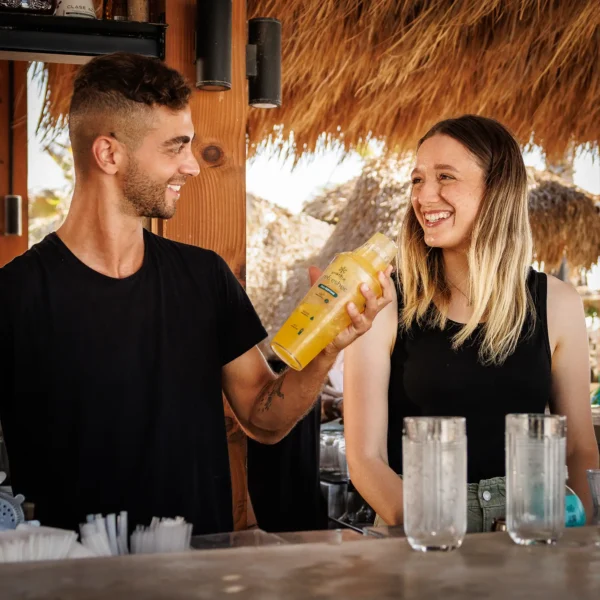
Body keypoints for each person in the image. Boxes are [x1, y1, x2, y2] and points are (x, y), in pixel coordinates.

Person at [0, 52, 393, 535]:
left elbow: (262, 419)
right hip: (70, 580)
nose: (192, 165)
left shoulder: (204, 278)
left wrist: (324, 349)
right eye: (174, 147)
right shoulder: (15, 297)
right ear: (109, 154)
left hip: (196, 576)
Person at [344, 115, 599, 532]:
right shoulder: (384, 301)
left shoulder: (557, 303)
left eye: (445, 177)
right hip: (413, 530)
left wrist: (573, 537)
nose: (425, 195)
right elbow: (366, 460)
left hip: (529, 533)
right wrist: (440, 530)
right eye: (417, 179)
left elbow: (579, 450)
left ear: (498, 189)